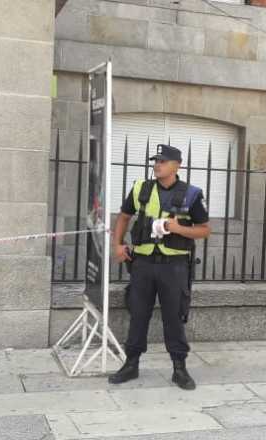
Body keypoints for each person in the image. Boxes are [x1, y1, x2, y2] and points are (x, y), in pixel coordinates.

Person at [108, 144, 211, 390]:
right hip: (142, 264)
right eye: (156, 160)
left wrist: (178, 229)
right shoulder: (140, 189)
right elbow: (123, 216)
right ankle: (131, 364)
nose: (157, 165)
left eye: (163, 161)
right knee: (138, 314)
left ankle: (179, 368)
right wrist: (118, 245)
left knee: (173, 317)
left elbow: (205, 229)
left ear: (177, 166)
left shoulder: (192, 194)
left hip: (173, 266)